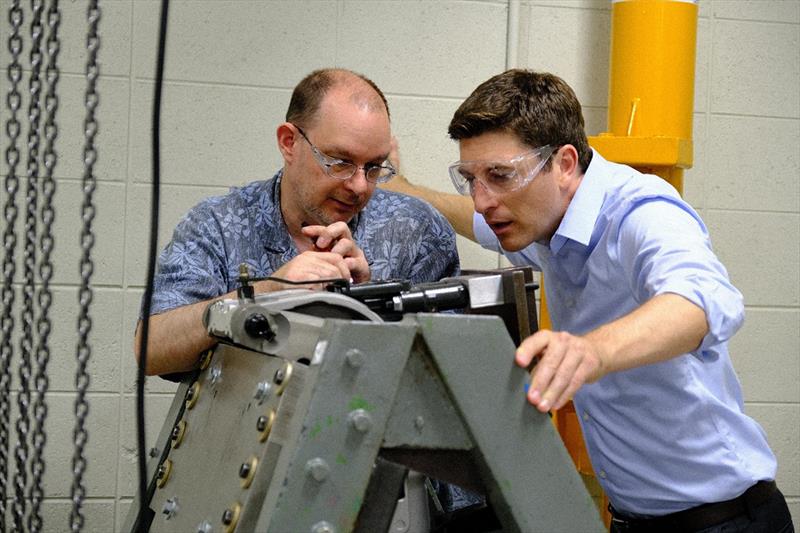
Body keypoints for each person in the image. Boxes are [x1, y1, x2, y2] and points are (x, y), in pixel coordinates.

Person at [383, 69, 793, 532]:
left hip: (725, 522)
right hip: (633, 520)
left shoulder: (642, 212)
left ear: (563, 163)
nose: (481, 201)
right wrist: (405, 190)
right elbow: (472, 219)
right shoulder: (540, 218)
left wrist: (591, 350)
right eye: (470, 178)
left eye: (499, 176)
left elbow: (700, 300)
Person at [135, 68, 459, 376]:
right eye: (340, 162)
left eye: (374, 167)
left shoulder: (416, 231)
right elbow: (151, 348)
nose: (359, 186)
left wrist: (371, 303)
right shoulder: (219, 225)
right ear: (289, 142)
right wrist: (268, 292)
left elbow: (448, 370)